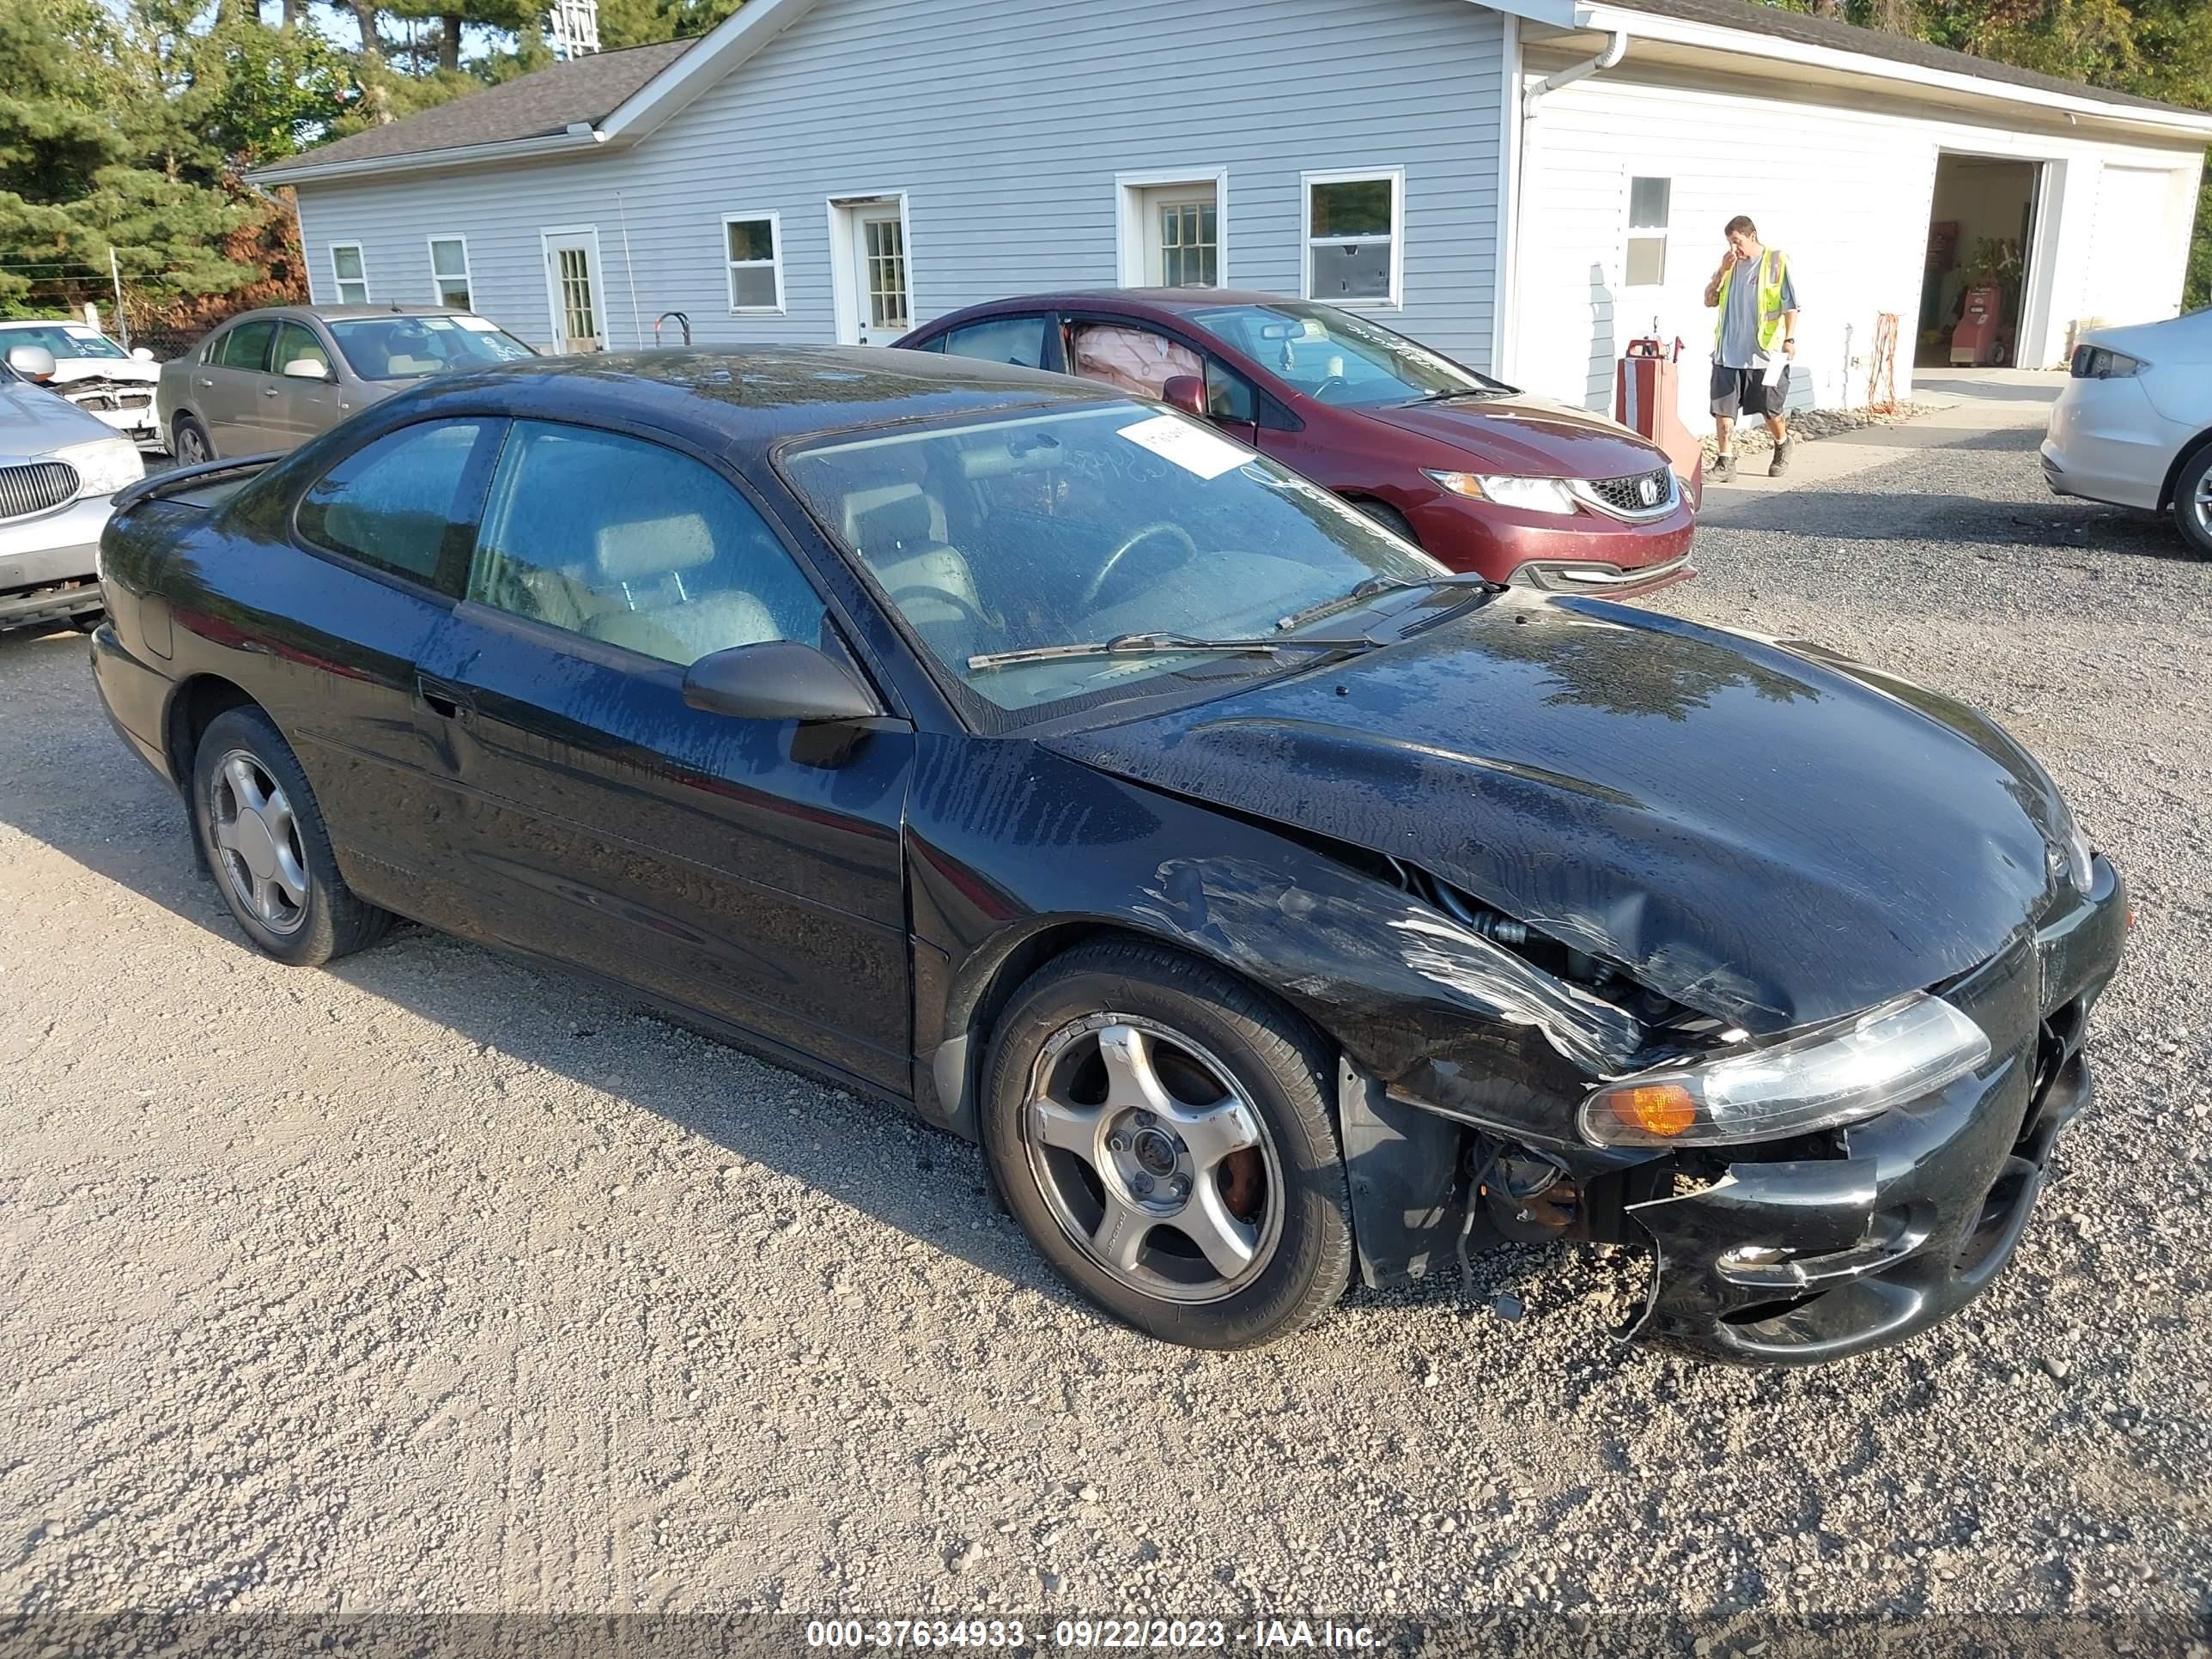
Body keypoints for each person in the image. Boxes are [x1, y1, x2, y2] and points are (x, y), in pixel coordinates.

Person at [1703, 216, 1801, 481]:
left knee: (1771, 410)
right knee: (1723, 410)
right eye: (1730, 243)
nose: (1734, 248)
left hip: (1768, 355)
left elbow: (1791, 305)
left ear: (1752, 236)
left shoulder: (1776, 262)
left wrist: (1789, 339)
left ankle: (1782, 443)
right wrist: (1722, 271)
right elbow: (1709, 300)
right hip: (1728, 352)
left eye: (1738, 242)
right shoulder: (1730, 265)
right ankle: (1725, 462)